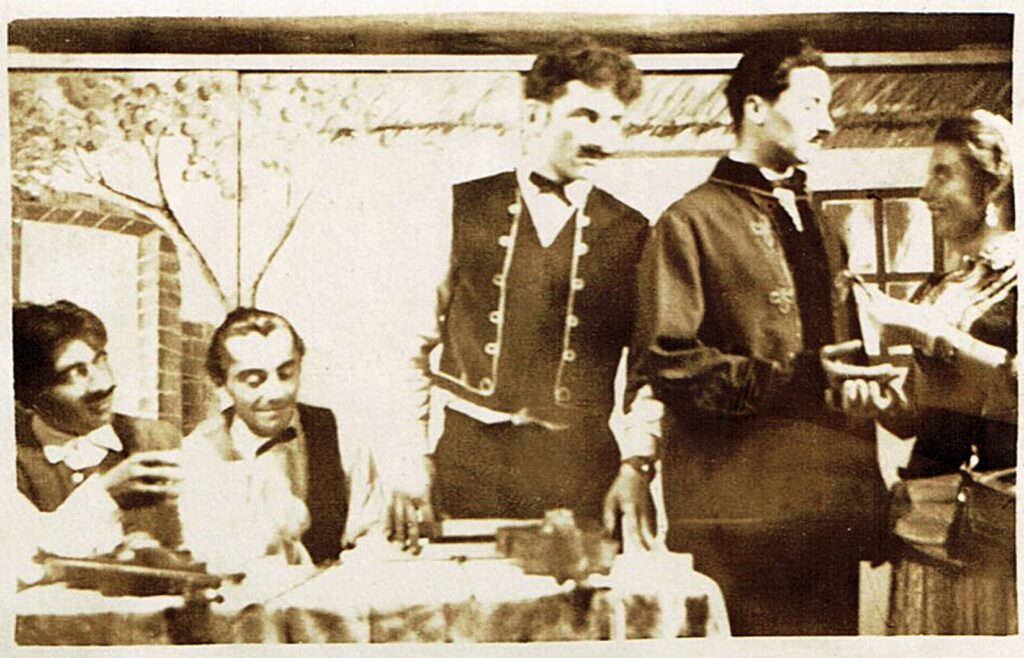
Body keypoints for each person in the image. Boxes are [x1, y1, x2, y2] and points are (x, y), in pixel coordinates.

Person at [629, 37, 887, 635]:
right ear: (755, 107)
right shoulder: (688, 222)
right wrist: (798, 377)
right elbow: (669, 362)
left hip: (829, 510)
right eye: (812, 104)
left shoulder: (822, 223)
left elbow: (845, 359)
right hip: (738, 514)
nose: (828, 123)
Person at [389, 36, 653, 549]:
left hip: (583, 472)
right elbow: (407, 349)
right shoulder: (460, 208)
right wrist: (408, 458)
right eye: (586, 116)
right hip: (469, 465)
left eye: (615, 121)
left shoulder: (633, 231)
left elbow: (646, 372)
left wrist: (636, 463)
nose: (605, 139)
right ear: (535, 116)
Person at [826, 110, 1016, 634]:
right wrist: (874, 399)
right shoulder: (937, 290)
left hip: (998, 539)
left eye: (942, 174)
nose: (925, 192)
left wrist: (925, 331)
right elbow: (914, 417)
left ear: (994, 185)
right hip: (924, 528)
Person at [180, 307, 383, 572]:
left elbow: (371, 540)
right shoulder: (200, 454)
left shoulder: (340, 435)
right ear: (220, 382)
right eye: (254, 380)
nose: (275, 393)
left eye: (286, 373)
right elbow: (204, 560)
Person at [13, 300, 183, 565]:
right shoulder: (13, 463)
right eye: (72, 374)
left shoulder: (160, 439)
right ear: (28, 397)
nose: (105, 384)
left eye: (100, 360)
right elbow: (18, 562)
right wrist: (107, 494)